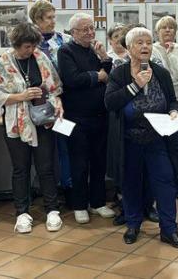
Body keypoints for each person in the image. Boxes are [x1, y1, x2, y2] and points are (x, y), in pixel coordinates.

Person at [105, 27, 178, 249]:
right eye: (139, 43)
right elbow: (110, 102)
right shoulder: (119, 74)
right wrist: (135, 86)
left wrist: (173, 112)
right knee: (130, 183)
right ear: (129, 48)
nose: (145, 47)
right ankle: (133, 225)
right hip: (129, 139)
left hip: (157, 139)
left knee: (165, 183)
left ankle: (169, 230)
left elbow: (172, 100)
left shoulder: (160, 73)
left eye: (149, 43)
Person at [0, 22, 64, 233]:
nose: (30, 50)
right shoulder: (3, 63)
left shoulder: (40, 58)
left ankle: (52, 210)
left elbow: (55, 88)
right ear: (16, 44)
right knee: (21, 169)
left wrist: (58, 104)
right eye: (26, 47)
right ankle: (22, 212)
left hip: (43, 120)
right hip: (16, 124)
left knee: (46, 168)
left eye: (33, 46)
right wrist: (21, 96)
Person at [57, 13, 115, 223]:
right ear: (73, 33)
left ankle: (98, 202)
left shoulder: (94, 49)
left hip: (100, 114)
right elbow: (72, 79)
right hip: (76, 118)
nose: (90, 33)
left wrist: (104, 57)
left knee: (99, 161)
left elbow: (109, 75)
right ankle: (79, 204)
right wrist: (97, 76)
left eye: (92, 28)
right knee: (79, 163)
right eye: (85, 29)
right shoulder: (65, 51)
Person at [29, 0, 73, 203]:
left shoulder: (64, 40)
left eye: (54, 17)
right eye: (49, 18)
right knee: (43, 148)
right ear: (37, 20)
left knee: (65, 145)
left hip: (64, 100)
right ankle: (45, 189)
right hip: (38, 103)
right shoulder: (30, 43)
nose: (53, 22)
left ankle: (68, 186)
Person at [151, 16, 178, 202]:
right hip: (159, 104)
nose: (168, 31)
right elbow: (157, 76)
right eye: (164, 28)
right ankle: (161, 187)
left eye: (171, 28)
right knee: (161, 148)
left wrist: (171, 55)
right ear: (157, 32)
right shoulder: (151, 49)